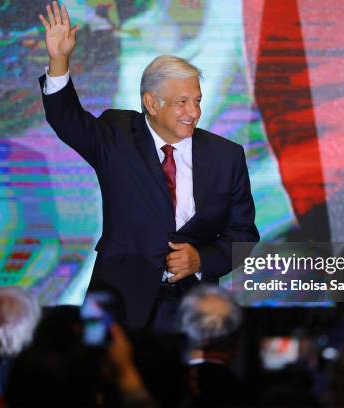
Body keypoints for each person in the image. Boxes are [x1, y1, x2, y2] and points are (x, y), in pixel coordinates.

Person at [37, 2, 259, 330]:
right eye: (181, 102)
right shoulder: (119, 135)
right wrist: (59, 61)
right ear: (151, 103)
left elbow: (243, 235)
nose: (193, 112)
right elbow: (67, 120)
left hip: (191, 311)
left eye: (197, 100)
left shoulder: (226, 156)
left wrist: (201, 259)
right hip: (117, 304)